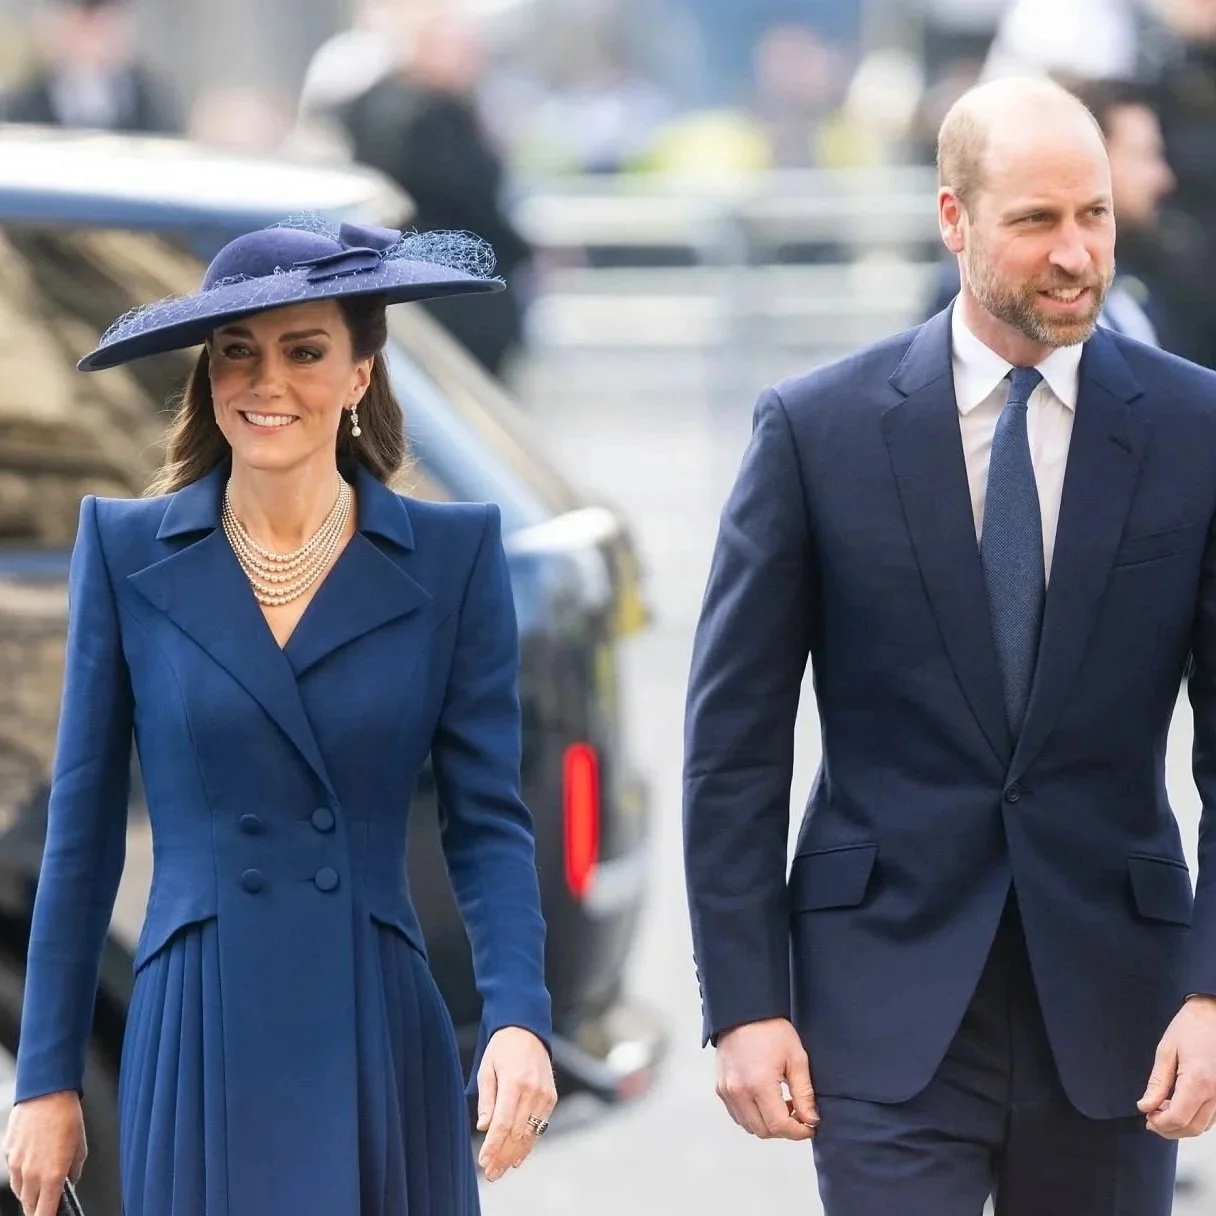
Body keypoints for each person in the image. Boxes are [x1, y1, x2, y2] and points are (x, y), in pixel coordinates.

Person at [683, 76, 1216, 1214]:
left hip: (1118, 1009)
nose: (1074, 252)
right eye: (1034, 221)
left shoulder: (1194, 431)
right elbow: (733, 746)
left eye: (1094, 215)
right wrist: (743, 1001)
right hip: (879, 1002)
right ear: (953, 220)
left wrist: (1214, 993)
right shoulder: (814, 432)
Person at [1, 218, 557, 1216]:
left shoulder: (451, 555)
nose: (268, 384)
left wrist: (518, 1015)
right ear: (207, 375)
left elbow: (487, 824)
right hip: (202, 1019)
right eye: (237, 354)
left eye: (305, 351)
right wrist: (45, 1081)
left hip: (375, 1017)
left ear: (359, 373)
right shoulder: (125, 550)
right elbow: (77, 842)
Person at [334, 5, 533, 379]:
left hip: (409, 286)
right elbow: (471, 199)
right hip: (455, 292)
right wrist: (524, 249)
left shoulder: (372, 105)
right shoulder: (429, 117)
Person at [923, 78, 1177, 349]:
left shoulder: (1140, 288)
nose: (1161, 178)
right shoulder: (973, 297)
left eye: (1093, 213)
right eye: (1037, 219)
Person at [1, 0, 179, 134]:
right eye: (80, 25)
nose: (91, 39)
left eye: (102, 23)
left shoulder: (151, 104)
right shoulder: (22, 105)